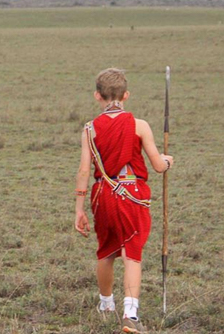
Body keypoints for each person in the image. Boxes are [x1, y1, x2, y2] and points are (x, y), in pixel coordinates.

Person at [74, 68, 173, 334]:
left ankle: (106, 305)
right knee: (132, 255)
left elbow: (84, 171)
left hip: (102, 195)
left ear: (98, 96)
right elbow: (157, 166)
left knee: (106, 252)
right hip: (132, 195)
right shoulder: (140, 125)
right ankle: (130, 314)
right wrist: (167, 161)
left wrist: (79, 209)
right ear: (126, 95)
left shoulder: (89, 129)